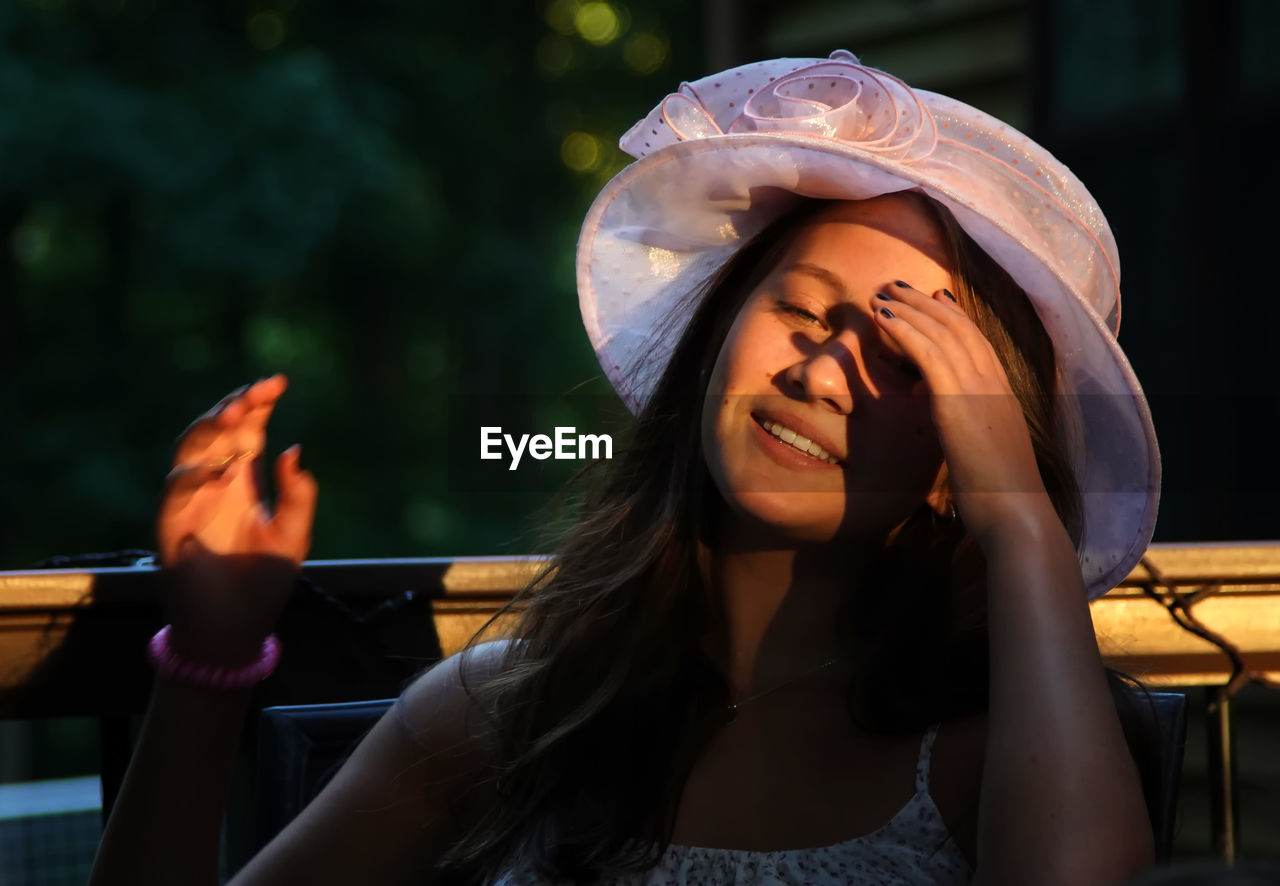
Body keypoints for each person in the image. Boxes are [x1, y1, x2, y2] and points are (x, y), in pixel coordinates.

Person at [90, 51, 1162, 885]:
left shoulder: (992, 742)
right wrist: (211, 653)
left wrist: (1017, 522)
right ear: (711, 340)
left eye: (906, 361)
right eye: (799, 311)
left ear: (959, 456)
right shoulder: (510, 707)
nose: (825, 374)